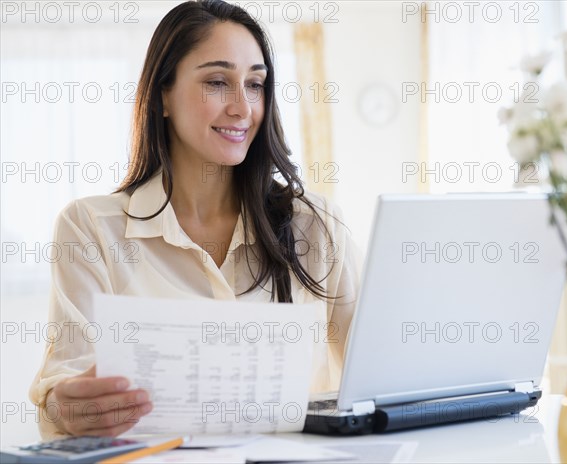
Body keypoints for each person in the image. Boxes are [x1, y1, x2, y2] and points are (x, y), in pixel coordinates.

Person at [29, 0, 361, 439]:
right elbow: (64, 389)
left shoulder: (317, 226)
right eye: (218, 82)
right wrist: (68, 406)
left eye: (256, 84)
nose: (243, 108)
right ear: (163, 95)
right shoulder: (90, 227)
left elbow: (375, 372)